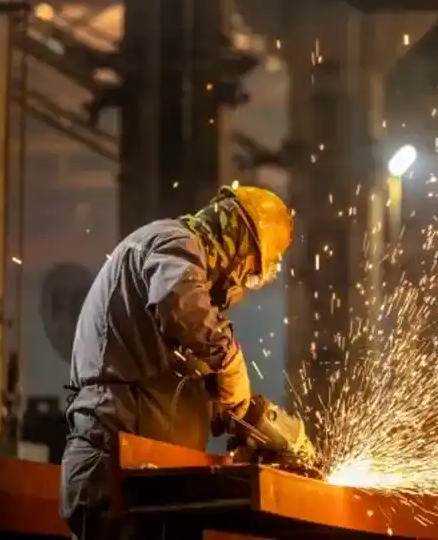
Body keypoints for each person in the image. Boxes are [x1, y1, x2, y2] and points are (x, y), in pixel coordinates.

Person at [60, 185, 295, 539]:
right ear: (237, 240)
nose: (244, 284)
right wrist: (228, 357)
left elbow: (178, 384)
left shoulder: (180, 294)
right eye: (250, 271)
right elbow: (183, 308)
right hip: (113, 463)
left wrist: (245, 419)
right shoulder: (172, 243)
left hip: (153, 479)